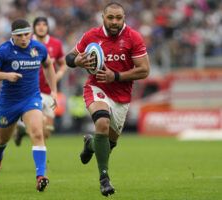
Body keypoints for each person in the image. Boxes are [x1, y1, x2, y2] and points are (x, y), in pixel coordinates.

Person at [65, 2, 150, 196]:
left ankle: (90, 144)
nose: (114, 22)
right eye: (110, 17)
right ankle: (104, 179)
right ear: (103, 18)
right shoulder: (91, 36)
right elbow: (69, 58)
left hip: (121, 96)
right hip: (97, 88)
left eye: (118, 18)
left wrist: (116, 76)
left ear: (124, 18)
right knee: (101, 122)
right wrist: (77, 60)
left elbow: (144, 70)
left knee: (109, 143)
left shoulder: (133, 37)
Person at [0, 19, 57, 192]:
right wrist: (7, 75)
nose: (24, 38)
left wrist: (53, 90)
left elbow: (48, 65)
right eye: (19, 35)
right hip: (9, 103)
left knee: (38, 133)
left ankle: (40, 176)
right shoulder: (4, 51)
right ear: (12, 36)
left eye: (26, 34)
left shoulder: (38, 48)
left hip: (31, 99)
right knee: (3, 139)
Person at [14, 16, 66, 146]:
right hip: (33, 92)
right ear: (34, 28)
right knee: (40, 125)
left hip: (50, 92)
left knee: (47, 132)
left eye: (44, 24)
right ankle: (42, 164)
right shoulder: (27, 43)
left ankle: (23, 132)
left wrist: (59, 74)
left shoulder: (56, 44)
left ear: (48, 27)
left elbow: (63, 63)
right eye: (38, 25)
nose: (41, 27)